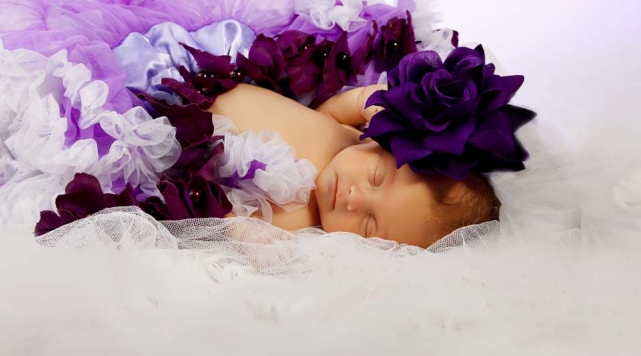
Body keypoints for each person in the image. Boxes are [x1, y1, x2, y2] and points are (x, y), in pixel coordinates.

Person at [209, 82, 500, 248]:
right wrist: (365, 101)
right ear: (382, 143)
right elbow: (327, 111)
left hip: (187, 154)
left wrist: (245, 233)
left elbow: (227, 221)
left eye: (369, 225)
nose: (353, 199)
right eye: (375, 177)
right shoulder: (348, 136)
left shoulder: (303, 226)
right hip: (203, 85)